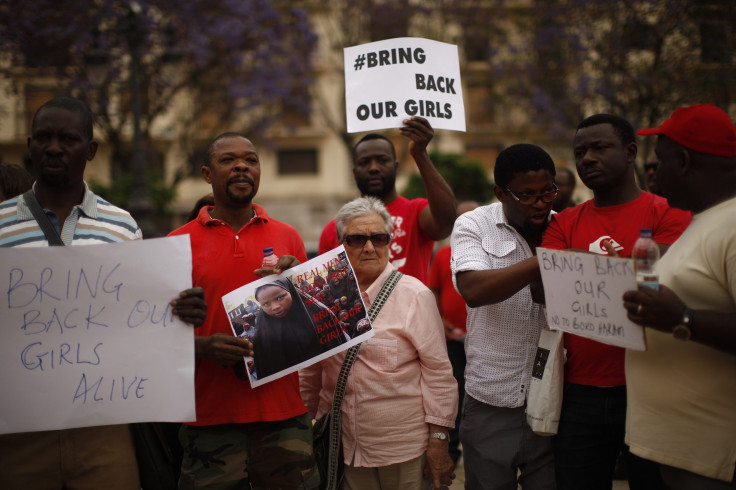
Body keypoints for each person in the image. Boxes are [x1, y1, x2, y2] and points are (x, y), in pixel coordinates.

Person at [0, 96, 206, 489]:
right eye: (44, 137)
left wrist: (180, 313)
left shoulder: (122, 226)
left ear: (91, 150)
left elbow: (145, 317)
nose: (54, 147)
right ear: (29, 147)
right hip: (17, 433)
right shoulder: (2, 225)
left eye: (68, 138)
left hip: (104, 430)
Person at [541, 113, 692, 490]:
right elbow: (544, 289)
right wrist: (631, 269)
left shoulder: (668, 213)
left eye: (599, 148)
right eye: (580, 152)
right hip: (579, 393)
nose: (587, 158)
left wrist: (580, 271)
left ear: (629, 152)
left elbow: (668, 283)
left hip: (650, 387)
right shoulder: (563, 223)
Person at [168, 132, 320, 489]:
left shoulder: (289, 237)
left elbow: (310, 327)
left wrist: (303, 287)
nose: (241, 165)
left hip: (283, 416)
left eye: (250, 160)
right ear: (207, 173)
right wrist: (203, 348)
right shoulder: (176, 243)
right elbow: (154, 333)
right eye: (228, 160)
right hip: (208, 418)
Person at [301, 196, 457, 490]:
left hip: (404, 450)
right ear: (340, 245)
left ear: (389, 242)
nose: (369, 247)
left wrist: (439, 441)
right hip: (342, 446)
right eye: (357, 239)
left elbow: (439, 374)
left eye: (378, 238)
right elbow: (311, 372)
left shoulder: (415, 295)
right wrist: (305, 429)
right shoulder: (322, 298)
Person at [622, 104, 736, 489]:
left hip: (715, 465)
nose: (653, 170)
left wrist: (682, 319)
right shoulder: (701, 220)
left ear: (684, 161)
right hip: (679, 457)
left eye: (659, 159)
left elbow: (679, 315)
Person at [451, 143, 558, 490]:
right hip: (491, 402)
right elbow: (475, 290)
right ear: (500, 193)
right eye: (527, 195)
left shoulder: (566, 226)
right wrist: (546, 259)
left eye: (548, 191)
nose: (541, 203)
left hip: (555, 399)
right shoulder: (473, 224)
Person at [318, 116, 457, 283]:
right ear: (354, 172)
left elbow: (445, 224)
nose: (374, 168)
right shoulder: (333, 229)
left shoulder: (416, 211)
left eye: (382, 160)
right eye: (364, 162)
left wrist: (420, 154)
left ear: (396, 167)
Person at [427, 199, 479, 464]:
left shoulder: (490, 252)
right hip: (451, 339)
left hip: (483, 341)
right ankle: (453, 449)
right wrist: (442, 321)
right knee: (454, 392)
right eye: (461, 220)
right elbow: (433, 290)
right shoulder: (443, 254)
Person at [252, 278, 347, 379]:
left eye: (280, 298)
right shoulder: (261, 337)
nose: (275, 307)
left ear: (291, 291)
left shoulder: (320, 313)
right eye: (266, 304)